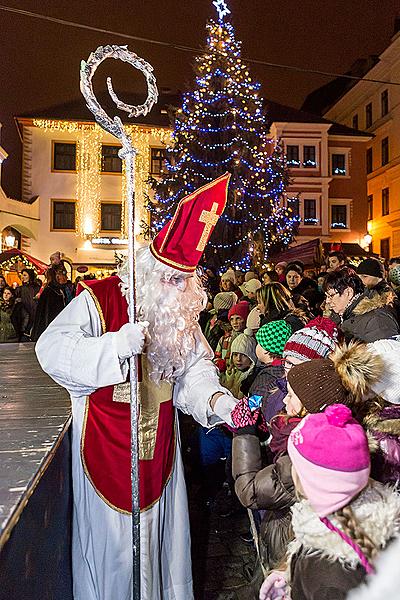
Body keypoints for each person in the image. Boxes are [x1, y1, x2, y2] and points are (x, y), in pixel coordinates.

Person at [36, 174, 240, 600]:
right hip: (105, 453)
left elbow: (193, 372)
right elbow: (51, 349)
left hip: (159, 455)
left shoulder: (179, 315)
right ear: (149, 272)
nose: (177, 291)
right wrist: (114, 345)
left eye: (183, 282)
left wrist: (219, 401)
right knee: (113, 557)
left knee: (161, 552)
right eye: (169, 280)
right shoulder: (100, 298)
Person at [260, 404, 400, 600]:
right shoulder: (367, 514)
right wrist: (289, 574)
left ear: (306, 479)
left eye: (295, 464)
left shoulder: (327, 573)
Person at [324, 266, 399, 342]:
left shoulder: (377, 320)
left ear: (349, 292)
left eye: (331, 295)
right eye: (326, 296)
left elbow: (388, 351)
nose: (327, 301)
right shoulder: (338, 316)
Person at [31, 264, 73, 342]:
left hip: (63, 328)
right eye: (62, 274)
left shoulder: (65, 290)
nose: (66, 277)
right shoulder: (49, 291)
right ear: (56, 276)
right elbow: (43, 314)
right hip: (52, 331)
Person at [15, 268, 41, 334]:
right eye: (22, 275)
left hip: (35, 312)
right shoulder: (19, 289)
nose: (22, 277)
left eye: (25, 275)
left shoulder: (37, 287)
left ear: (30, 276)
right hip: (25, 314)